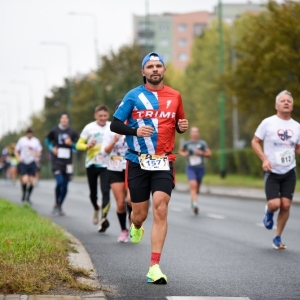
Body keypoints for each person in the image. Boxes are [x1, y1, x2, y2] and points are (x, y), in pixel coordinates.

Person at [110, 52, 188, 284]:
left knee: (161, 208)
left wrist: (182, 127)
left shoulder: (175, 96)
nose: (155, 69)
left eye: (159, 66)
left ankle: (154, 266)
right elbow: (115, 124)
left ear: (164, 71)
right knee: (140, 215)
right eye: (150, 66)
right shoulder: (133, 96)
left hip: (164, 161)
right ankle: (135, 226)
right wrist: (135, 131)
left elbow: (179, 123)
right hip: (137, 161)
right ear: (143, 72)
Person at [251, 90, 300, 250]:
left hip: (289, 170)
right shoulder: (268, 123)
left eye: (289, 101)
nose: (286, 103)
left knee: (285, 205)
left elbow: (297, 148)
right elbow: (255, 141)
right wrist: (264, 159)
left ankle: (277, 237)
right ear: (276, 105)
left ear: (292, 106)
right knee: (274, 204)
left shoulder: (297, 126)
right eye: (283, 101)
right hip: (271, 170)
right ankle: (269, 212)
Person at [76, 105, 111, 232]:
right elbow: (78, 145)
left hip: (107, 164)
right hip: (91, 163)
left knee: (106, 191)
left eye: (105, 116)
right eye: (100, 116)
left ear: (108, 116)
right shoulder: (89, 128)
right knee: (93, 194)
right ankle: (96, 208)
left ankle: (104, 218)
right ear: (95, 116)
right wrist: (87, 146)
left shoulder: (111, 126)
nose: (102, 118)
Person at [102, 99, 132, 242]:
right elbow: (105, 152)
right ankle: (123, 230)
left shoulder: (134, 125)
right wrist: (114, 140)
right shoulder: (109, 129)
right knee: (121, 203)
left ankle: (133, 222)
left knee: (131, 201)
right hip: (114, 168)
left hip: (132, 168)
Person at [45, 112, 79, 215]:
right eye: (62, 118)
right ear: (60, 119)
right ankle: (57, 203)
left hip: (68, 163)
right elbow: (47, 140)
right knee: (59, 182)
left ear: (68, 120)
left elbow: (78, 146)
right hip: (57, 161)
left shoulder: (72, 132)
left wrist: (71, 144)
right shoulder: (54, 130)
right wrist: (52, 148)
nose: (64, 120)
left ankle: (59, 205)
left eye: (66, 118)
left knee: (65, 186)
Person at [178, 127, 211, 215]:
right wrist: (185, 154)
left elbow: (209, 154)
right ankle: (195, 205)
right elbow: (180, 151)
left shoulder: (202, 143)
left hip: (200, 168)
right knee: (193, 185)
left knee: (197, 188)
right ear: (190, 134)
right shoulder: (187, 143)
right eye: (193, 132)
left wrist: (201, 153)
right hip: (190, 167)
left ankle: (193, 200)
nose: (194, 134)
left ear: (198, 134)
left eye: (196, 132)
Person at [14, 128, 43, 203]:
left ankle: (28, 197)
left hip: (32, 162)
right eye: (28, 133)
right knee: (24, 180)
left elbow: (39, 151)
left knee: (32, 182)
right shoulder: (22, 140)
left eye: (31, 133)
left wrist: (36, 154)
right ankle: (24, 193)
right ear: (26, 134)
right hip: (24, 162)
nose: (29, 135)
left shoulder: (36, 141)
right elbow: (16, 150)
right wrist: (19, 157)